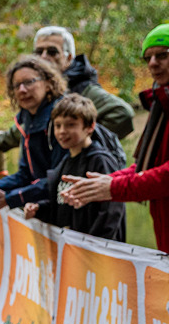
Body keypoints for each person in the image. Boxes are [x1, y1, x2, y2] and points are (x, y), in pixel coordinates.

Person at [63, 22, 169, 250]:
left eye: (162, 55)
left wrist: (113, 187)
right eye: (148, 58)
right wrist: (103, 183)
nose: (153, 63)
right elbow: (149, 165)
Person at [0, 26, 135, 153]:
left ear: (69, 58)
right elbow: (32, 125)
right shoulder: (36, 87)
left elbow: (122, 114)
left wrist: (81, 139)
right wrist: (2, 140)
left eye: (52, 52)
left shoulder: (82, 89)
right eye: (39, 52)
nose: (44, 57)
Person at [0, 55, 67, 215]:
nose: (22, 90)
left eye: (29, 82)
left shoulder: (62, 120)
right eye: (17, 86)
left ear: (48, 84)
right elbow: (26, 175)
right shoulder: (27, 121)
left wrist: (11, 198)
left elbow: (60, 179)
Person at [23, 93, 128, 239]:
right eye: (57, 125)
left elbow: (111, 212)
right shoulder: (65, 163)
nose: (62, 131)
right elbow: (60, 206)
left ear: (90, 127)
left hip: (96, 253)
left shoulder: (101, 161)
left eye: (71, 125)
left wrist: (91, 246)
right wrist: (39, 208)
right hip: (71, 250)